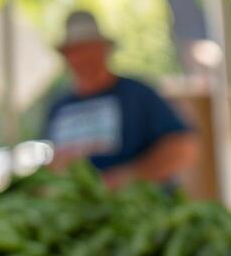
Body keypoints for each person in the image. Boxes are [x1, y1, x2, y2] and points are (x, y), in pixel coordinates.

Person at [45, 11, 198, 187]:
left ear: (105, 50)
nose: (83, 58)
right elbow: (53, 161)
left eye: (90, 49)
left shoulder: (137, 95)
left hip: (137, 206)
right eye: (75, 51)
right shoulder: (59, 107)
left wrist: (128, 178)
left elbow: (183, 146)